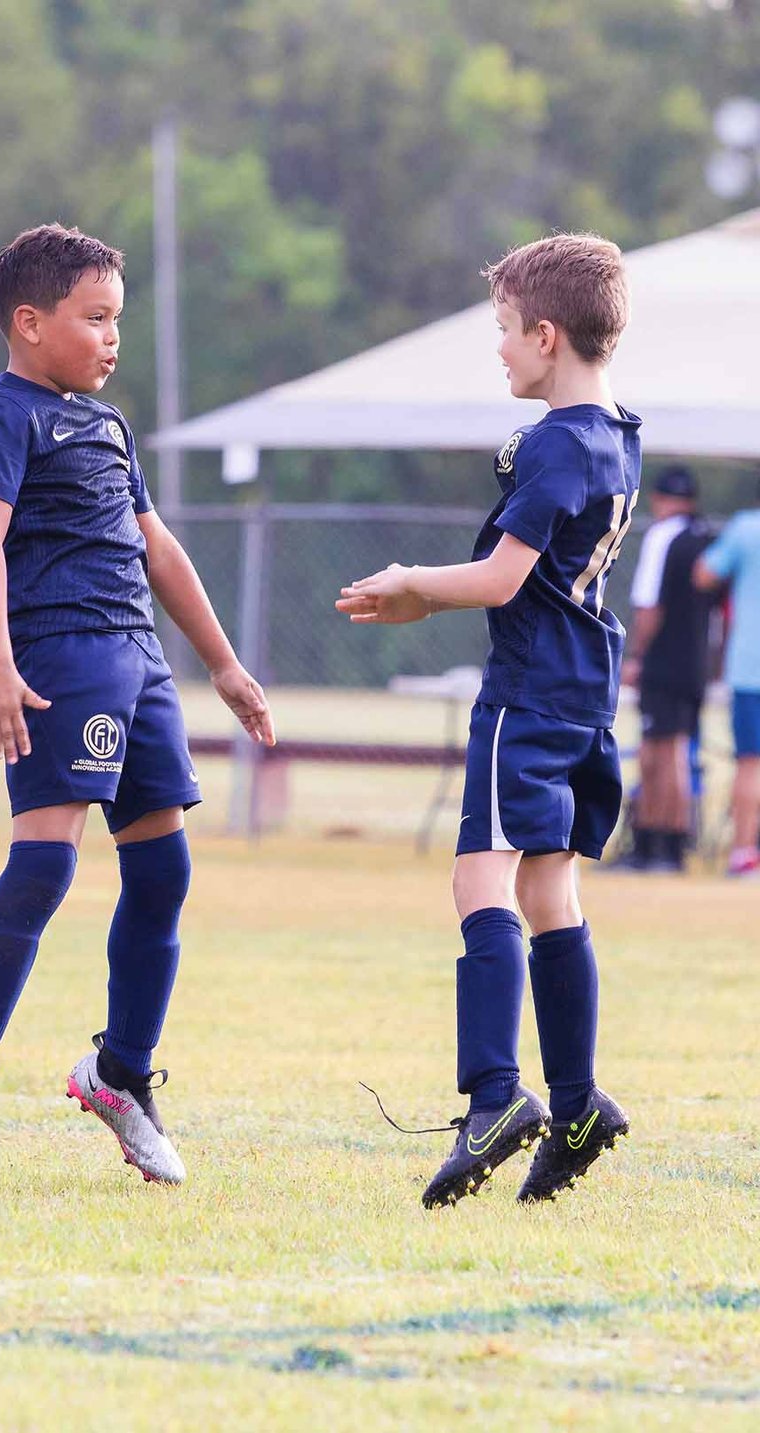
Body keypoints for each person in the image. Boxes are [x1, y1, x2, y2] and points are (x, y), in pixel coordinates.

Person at [0, 224, 274, 1191]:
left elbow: (158, 550)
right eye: (96, 319)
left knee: (163, 874)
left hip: (140, 663)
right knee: (45, 866)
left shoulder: (108, 425)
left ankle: (119, 1073)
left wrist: (226, 667)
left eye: (119, 319)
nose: (114, 338)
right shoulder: (3, 415)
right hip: (61, 661)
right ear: (30, 324)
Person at [337, 233, 636, 1206]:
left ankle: (497, 1094)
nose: (499, 351)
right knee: (550, 892)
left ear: (547, 335)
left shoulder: (556, 440)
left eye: (505, 332)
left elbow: (505, 578)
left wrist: (411, 585)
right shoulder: (617, 432)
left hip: (530, 693)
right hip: (587, 694)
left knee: (480, 878)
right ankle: (582, 1103)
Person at [617, 467, 718, 873]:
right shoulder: (705, 537)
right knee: (676, 748)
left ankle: (656, 843)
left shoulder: (663, 537)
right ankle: (670, 842)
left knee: (659, 752)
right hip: (695, 662)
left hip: (663, 659)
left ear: (658, 499)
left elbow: (648, 605)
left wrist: (638, 655)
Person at [694, 477, 760, 878]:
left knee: (750, 764)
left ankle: (743, 853)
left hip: (751, 665)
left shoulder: (746, 526)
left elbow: (704, 574)